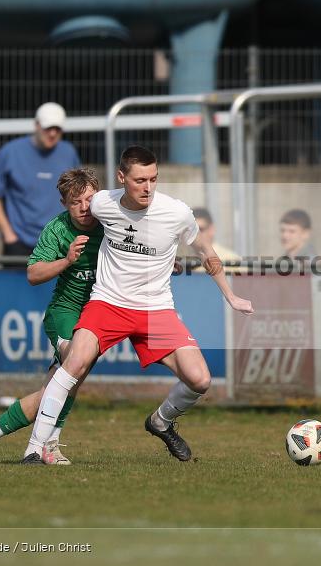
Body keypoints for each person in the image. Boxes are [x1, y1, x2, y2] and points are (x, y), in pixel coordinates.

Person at [21, 146, 253, 464]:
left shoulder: (177, 212)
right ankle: (35, 449)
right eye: (140, 180)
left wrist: (230, 294)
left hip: (155, 309)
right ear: (121, 178)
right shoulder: (102, 203)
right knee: (73, 363)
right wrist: (63, 256)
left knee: (200, 379)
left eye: (154, 179)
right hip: (109, 303)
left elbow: (204, 250)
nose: (148, 187)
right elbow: (73, 217)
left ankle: (160, 421)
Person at [0, 168, 103, 465]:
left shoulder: (111, 222)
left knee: (56, 387)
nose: (85, 207)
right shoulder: (57, 230)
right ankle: (49, 445)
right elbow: (33, 274)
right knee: (74, 368)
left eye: (89, 198)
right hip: (65, 312)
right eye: (76, 202)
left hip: (98, 313)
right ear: (64, 204)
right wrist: (67, 259)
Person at [0, 102, 81, 256]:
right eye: (48, 128)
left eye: (57, 129)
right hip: (20, 243)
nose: (52, 134)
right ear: (36, 125)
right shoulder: (10, 153)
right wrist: (8, 234)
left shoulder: (68, 153)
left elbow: (78, 194)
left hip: (60, 241)